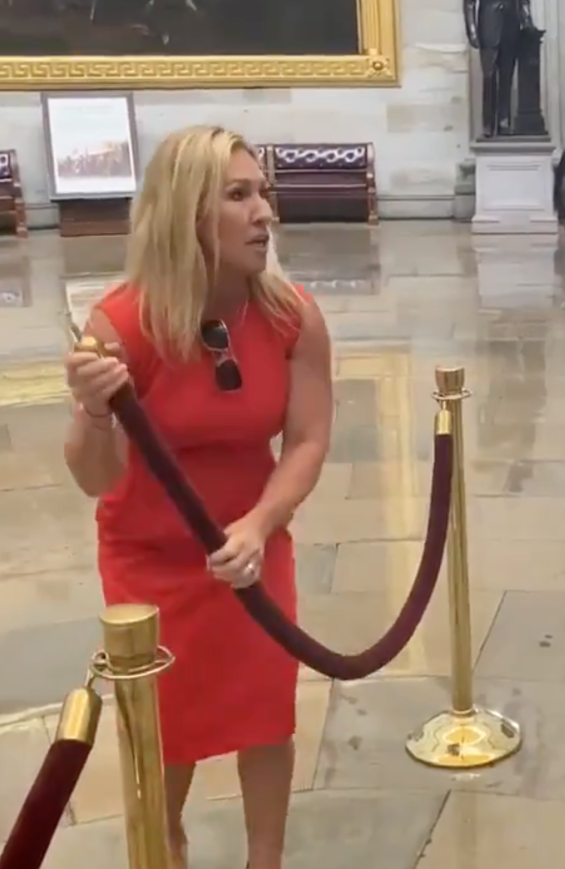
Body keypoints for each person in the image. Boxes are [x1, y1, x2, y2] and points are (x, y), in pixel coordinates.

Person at [62, 125, 333, 869]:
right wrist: (92, 410)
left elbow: (307, 439)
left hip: (251, 549)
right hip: (152, 569)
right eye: (239, 195)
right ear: (187, 213)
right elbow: (94, 476)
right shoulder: (123, 325)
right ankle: (163, 850)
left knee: (265, 715)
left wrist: (261, 522)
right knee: (165, 736)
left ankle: (264, 861)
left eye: (264, 193)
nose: (264, 213)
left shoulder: (291, 316)